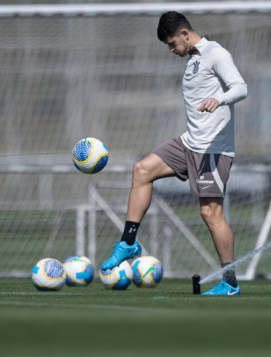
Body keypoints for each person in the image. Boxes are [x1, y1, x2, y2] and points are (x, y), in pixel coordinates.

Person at [101, 11, 247, 295]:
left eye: (171, 43)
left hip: (212, 151)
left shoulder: (216, 54)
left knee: (210, 213)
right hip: (189, 143)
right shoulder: (192, 58)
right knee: (142, 170)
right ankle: (129, 243)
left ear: (184, 34)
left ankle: (230, 282)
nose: (170, 50)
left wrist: (219, 98)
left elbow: (240, 87)